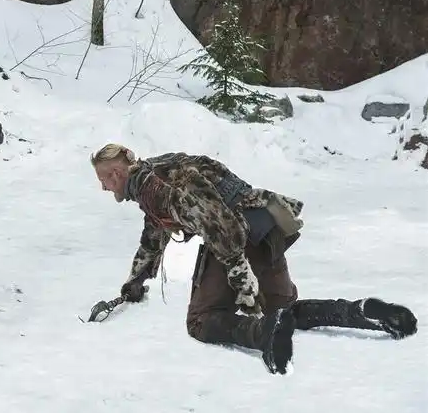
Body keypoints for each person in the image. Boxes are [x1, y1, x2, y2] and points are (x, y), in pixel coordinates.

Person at [90, 143, 418, 374]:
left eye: (104, 179)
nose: (104, 188)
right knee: (284, 309)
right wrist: (135, 282)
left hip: (237, 236)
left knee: (200, 321)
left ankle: (265, 335)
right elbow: (153, 233)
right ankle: (359, 313)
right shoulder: (156, 172)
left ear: (118, 173)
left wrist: (242, 279)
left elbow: (221, 225)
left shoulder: (152, 187)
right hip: (265, 223)